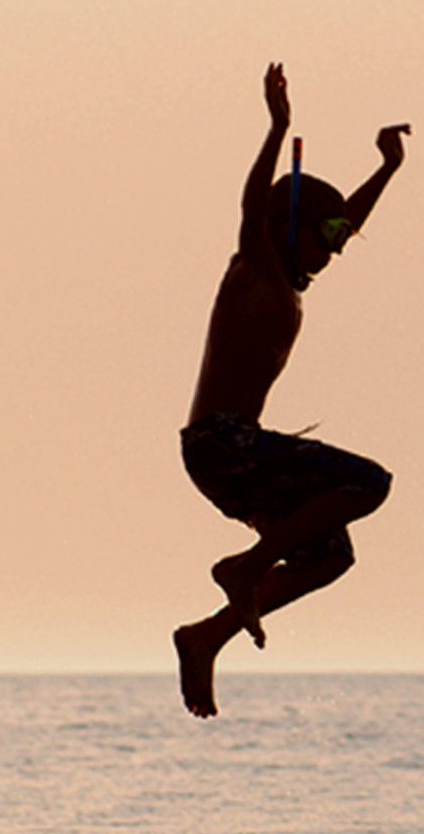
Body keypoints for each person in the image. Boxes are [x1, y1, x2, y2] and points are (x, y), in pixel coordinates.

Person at [174, 62, 409, 718]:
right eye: (324, 237)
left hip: (234, 461)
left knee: (331, 555)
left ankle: (205, 636)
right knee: (369, 483)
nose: (334, 251)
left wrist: (387, 168)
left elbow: (344, 222)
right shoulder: (256, 268)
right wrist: (276, 127)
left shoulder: (294, 282)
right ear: (288, 226)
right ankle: (247, 569)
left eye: (340, 240)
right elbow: (254, 204)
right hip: (222, 443)